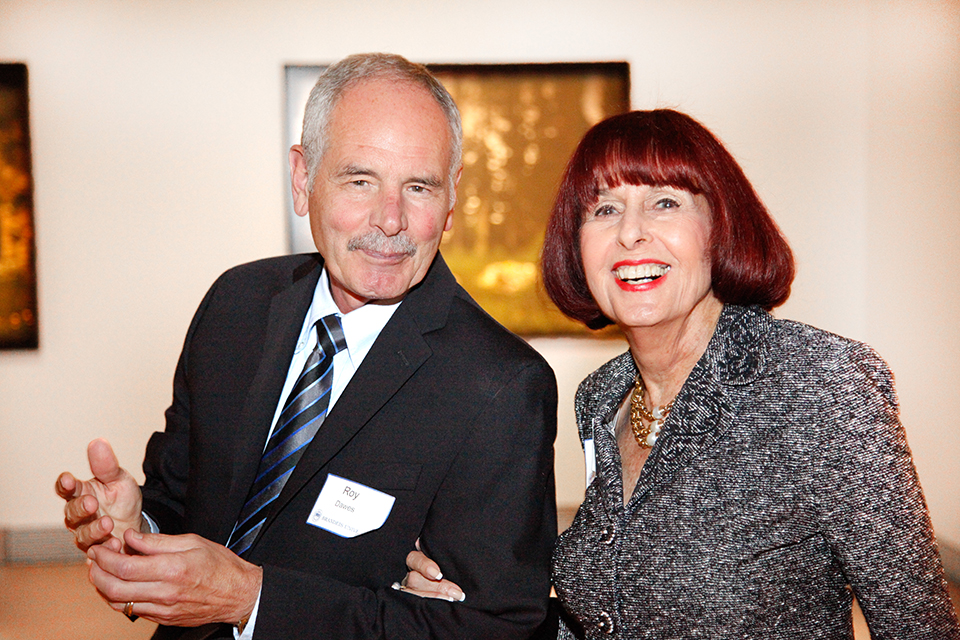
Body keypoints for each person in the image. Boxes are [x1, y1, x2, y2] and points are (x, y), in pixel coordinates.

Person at [55, 52, 558, 640]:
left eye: (418, 186)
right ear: (303, 179)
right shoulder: (235, 305)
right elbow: (184, 501)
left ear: (451, 199)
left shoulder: (500, 386)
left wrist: (250, 600)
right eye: (359, 180)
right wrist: (135, 528)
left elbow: (491, 629)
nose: (390, 220)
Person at [403, 109, 960, 638]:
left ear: (720, 227)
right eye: (604, 209)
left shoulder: (821, 382)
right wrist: (462, 597)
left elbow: (918, 626)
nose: (631, 233)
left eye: (665, 203)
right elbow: (614, 610)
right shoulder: (602, 398)